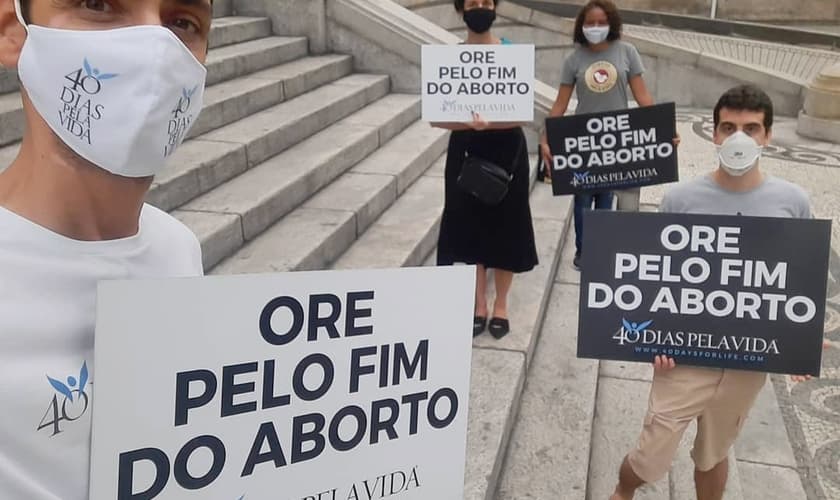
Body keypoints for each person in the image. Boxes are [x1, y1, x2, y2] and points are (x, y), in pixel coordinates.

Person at [0, 0, 211, 498]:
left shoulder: (177, 248)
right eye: (98, 4)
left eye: (183, 22)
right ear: (14, 33)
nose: (156, 47)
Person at [610, 84, 814, 500]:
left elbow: (797, 276)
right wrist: (655, 336)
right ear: (716, 134)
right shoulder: (681, 199)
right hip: (682, 356)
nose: (740, 136)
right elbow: (656, 278)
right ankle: (623, 489)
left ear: (768, 136)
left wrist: (801, 342)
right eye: (729, 126)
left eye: (752, 128)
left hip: (746, 359)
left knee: (713, 453)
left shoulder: (793, 202)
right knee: (650, 455)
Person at [433, 0, 538, 339]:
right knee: (470, 226)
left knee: (508, 226)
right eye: (473, 3)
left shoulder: (511, 54)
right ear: (461, 10)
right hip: (466, 147)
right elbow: (437, 118)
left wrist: (491, 122)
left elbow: (523, 113)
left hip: (507, 150)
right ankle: (478, 302)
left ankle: (501, 304)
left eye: (486, 2)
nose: (480, 7)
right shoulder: (449, 60)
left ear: (495, 8)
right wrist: (468, 123)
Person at [540, 0, 656, 270]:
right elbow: (560, 103)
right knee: (582, 200)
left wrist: (664, 130)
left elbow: (643, 96)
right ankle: (584, 251)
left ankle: (603, 249)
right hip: (583, 141)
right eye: (589, 23)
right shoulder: (574, 59)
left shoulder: (627, 52)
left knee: (606, 197)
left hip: (616, 139)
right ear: (581, 26)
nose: (595, 27)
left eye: (601, 22)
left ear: (611, 24)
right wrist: (545, 137)